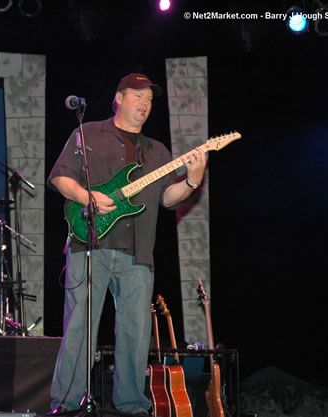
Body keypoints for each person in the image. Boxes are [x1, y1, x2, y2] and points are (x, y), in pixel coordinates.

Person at [47, 73, 208, 416]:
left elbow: (168, 197)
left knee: (136, 334)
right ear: (119, 98)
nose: (145, 104)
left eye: (149, 99)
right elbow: (60, 176)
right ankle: (67, 404)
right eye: (138, 96)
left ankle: (133, 405)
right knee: (79, 329)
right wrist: (86, 196)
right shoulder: (87, 133)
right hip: (89, 244)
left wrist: (193, 181)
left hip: (138, 252)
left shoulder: (158, 151)